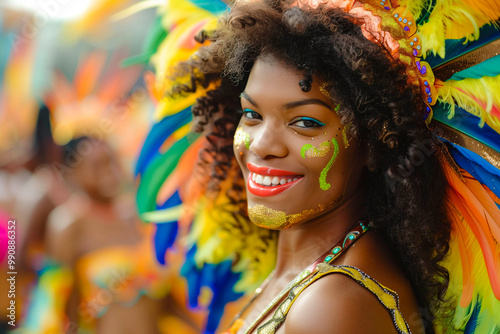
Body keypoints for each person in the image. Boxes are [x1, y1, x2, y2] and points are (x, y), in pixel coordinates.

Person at [136, 0, 500, 333]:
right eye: (252, 115)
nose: (262, 145)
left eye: (305, 122)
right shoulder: (315, 278)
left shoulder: (331, 306)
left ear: (375, 142)